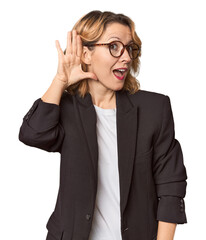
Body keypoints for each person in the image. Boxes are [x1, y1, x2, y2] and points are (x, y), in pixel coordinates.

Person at [18, 10, 187, 240]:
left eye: (129, 48)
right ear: (86, 54)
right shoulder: (68, 109)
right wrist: (60, 81)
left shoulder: (154, 109)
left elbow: (171, 187)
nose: (126, 57)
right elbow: (33, 134)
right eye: (114, 47)